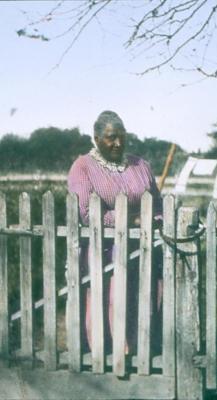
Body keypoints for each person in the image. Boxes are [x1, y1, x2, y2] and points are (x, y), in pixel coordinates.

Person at [68, 110, 163, 354]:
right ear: (97, 138)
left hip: (142, 248)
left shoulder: (141, 165)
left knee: (143, 299)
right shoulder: (83, 167)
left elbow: (158, 205)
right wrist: (132, 219)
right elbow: (87, 213)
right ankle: (105, 352)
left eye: (122, 136)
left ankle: (140, 351)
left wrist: (154, 220)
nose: (118, 143)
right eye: (111, 137)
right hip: (104, 251)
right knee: (111, 301)